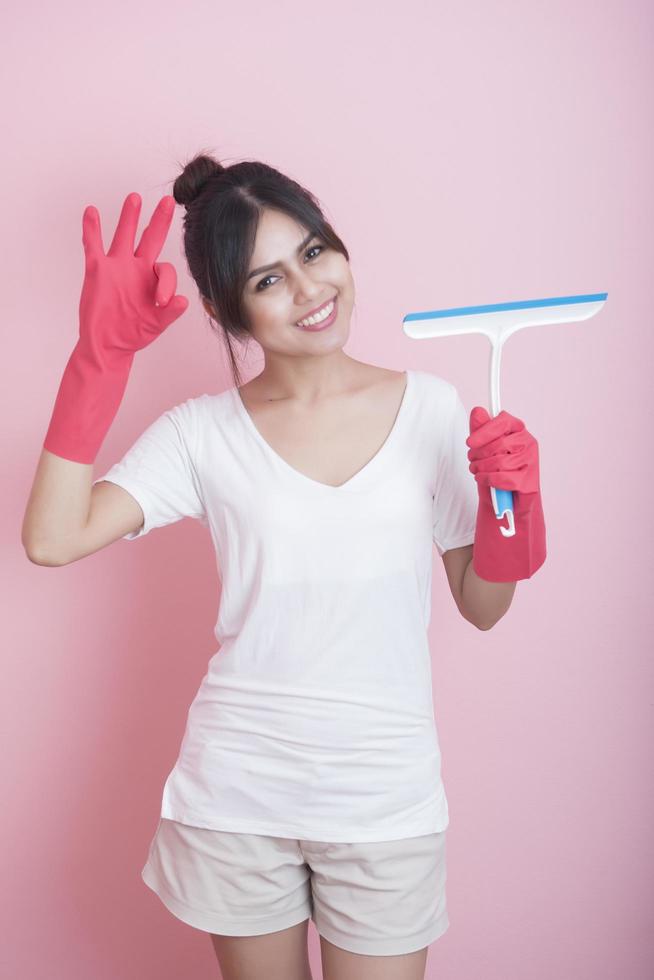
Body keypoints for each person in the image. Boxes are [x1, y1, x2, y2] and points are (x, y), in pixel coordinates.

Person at [22, 152, 546, 980]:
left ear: (338, 247)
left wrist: (514, 505)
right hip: (237, 797)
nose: (309, 290)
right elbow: (52, 538)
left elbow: (483, 604)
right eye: (267, 281)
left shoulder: (432, 410)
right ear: (225, 311)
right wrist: (98, 361)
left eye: (312, 252)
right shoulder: (202, 432)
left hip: (385, 799)